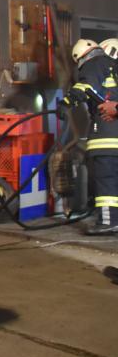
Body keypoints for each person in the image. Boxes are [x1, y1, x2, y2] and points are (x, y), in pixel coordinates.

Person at [67, 40, 118, 235]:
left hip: (106, 141)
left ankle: (108, 221)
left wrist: (66, 102)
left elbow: (85, 87)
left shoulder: (95, 65)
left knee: (107, 182)